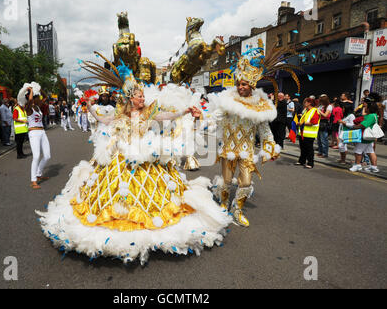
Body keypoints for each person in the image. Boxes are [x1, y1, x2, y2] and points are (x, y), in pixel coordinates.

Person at [37, 54, 232, 265]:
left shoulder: (149, 112)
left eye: (142, 96)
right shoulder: (121, 115)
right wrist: (89, 106)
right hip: (121, 160)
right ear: (131, 98)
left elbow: (167, 116)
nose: (142, 98)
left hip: (147, 159)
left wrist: (185, 111)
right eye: (139, 96)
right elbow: (102, 119)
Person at [208, 43, 294, 228]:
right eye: (239, 84)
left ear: (252, 85)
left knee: (246, 182)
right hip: (228, 149)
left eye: (244, 84)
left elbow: (264, 129)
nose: (240, 87)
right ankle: (223, 206)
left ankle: (237, 211)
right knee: (227, 181)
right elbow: (214, 118)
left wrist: (270, 146)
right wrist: (204, 121)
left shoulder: (259, 105)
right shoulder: (227, 101)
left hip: (246, 151)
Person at [23, 85, 51, 190]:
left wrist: (39, 89)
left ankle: (39, 174)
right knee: (36, 156)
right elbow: (30, 99)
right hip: (33, 132)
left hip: (42, 132)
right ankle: (33, 180)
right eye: (37, 97)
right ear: (33, 98)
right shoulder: (28, 107)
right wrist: (30, 90)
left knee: (47, 155)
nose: (39, 98)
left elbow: (45, 97)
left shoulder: (38, 107)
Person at [345, 103, 380, 173]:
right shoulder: (375, 115)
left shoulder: (370, 116)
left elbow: (363, 125)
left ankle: (357, 165)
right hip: (370, 137)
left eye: (366, 107)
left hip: (365, 137)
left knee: (357, 151)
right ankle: (374, 167)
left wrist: (353, 127)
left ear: (369, 109)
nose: (365, 108)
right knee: (370, 151)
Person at [296, 98, 320, 169]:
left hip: (309, 134)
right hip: (303, 133)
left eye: (305, 102)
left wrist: (301, 123)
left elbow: (313, 122)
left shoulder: (314, 111)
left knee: (309, 149)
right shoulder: (306, 110)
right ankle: (302, 161)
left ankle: (310, 163)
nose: (304, 103)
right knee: (303, 148)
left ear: (309, 103)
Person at [14, 87, 30, 159]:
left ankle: (21, 153)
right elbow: (15, 118)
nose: (24, 104)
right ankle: (19, 155)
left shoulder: (23, 109)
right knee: (19, 143)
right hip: (19, 129)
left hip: (23, 129)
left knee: (21, 143)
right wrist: (23, 121)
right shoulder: (16, 109)